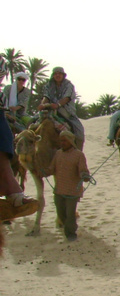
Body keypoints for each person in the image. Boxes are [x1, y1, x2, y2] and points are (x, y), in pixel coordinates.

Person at [0, 64, 37, 215]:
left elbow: (21, 106)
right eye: (19, 79)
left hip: (19, 115)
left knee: (25, 130)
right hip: (7, 113)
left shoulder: (25, 92)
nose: (21, 82)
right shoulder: (8, 90)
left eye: (23, 79)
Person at [46, 129, 90, 242]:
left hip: (72, 191)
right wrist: (44, 172)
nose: (62, 143)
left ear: (70, 141)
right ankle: (71, 227)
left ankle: (70, 233)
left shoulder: (79, 155)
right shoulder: (58, 153)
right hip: (59, 190)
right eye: (61, 141)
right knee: (61, 213)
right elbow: (52, 168)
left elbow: (83, 170)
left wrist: (85, 176)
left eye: (64, 141)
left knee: (70, 214)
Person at [38, 66, 83, 148]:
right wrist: (42, 104)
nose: (57, 75)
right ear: (53, 75)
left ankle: (78, 152)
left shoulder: (69, 85)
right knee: (31, 124)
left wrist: (57, 105)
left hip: (66, 112)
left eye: (59, 73)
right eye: (55, 74)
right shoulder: (48, 85)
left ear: (63, 75)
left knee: (79, 134)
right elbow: (46, 96)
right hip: (49, 110)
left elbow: (67, 98)